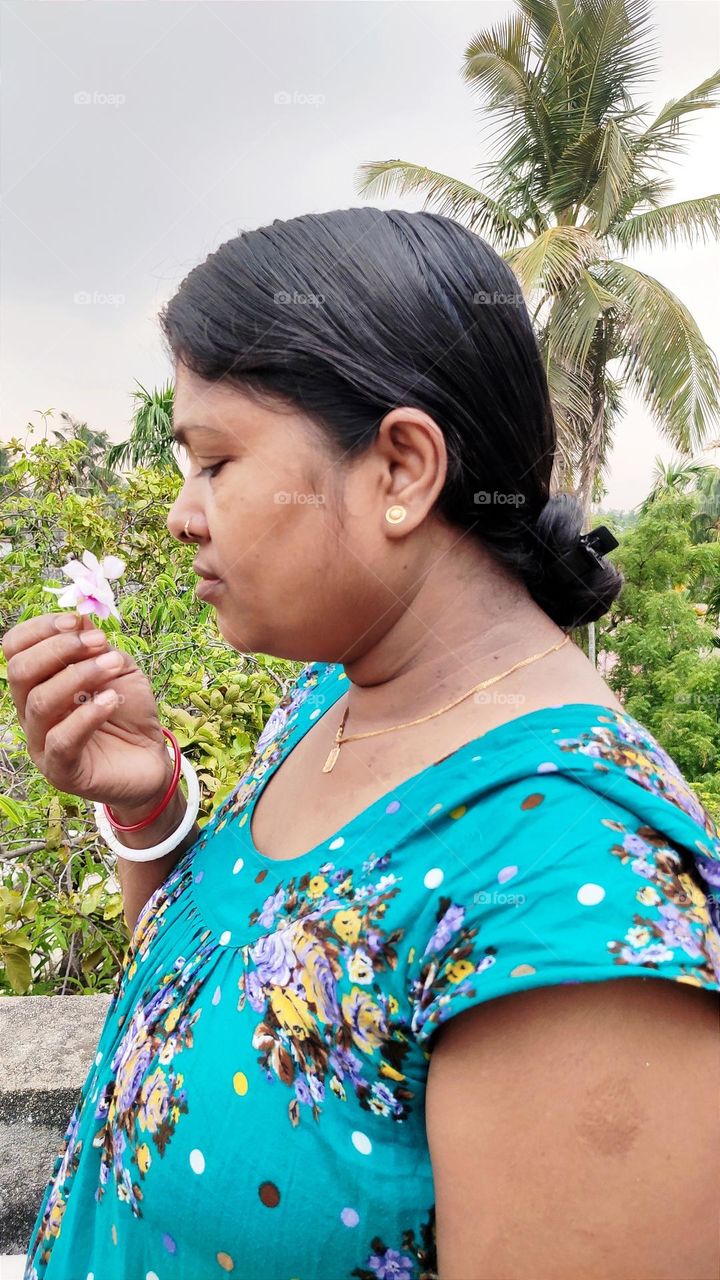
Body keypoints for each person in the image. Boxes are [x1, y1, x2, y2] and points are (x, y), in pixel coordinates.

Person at [5, 207, 718, 1280]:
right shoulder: (332, 697)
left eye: (216, 459)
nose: (180, 515)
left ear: (400, 469)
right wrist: (150, 807)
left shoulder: (578, 892)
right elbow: (241, 1001)